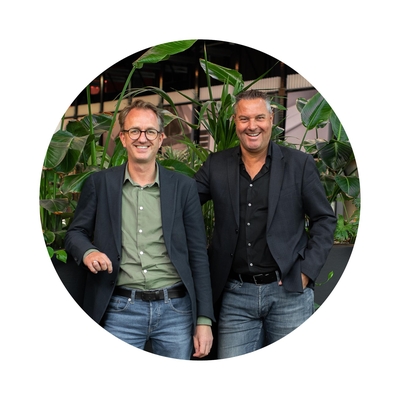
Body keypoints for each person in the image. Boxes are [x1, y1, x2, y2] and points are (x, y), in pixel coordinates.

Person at [65, 99, 214, 360]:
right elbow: (75, 233)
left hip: (176, 311)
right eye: (134, 131)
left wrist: (204, 320)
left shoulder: (184, 188)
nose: (142, 138)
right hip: (119, 309)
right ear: (123, 138)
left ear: (160, 139)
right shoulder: (100, 184)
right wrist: (88, 252)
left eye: (150, 132)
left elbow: (198, 256)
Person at [194, 89, 337, 359]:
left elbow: (324, 219)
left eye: (259, 117)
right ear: (235, 122)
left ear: (271, 119)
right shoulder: (216, 165)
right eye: (244, 118)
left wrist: (307, 271)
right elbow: (183, 202)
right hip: (235, 295)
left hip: (289, 293)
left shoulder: (299, 164)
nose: (252, 126)